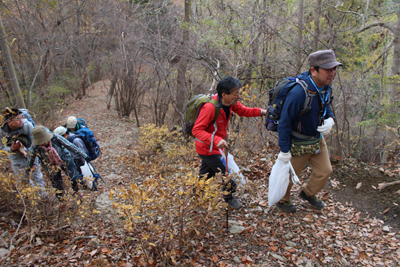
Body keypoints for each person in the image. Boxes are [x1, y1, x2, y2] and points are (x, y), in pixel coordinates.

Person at [276, 49, 342, 212]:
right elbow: (284, 122)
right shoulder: (299, 92)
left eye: (334, 69)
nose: (332, 73)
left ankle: (308, 192)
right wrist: (284, 151)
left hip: (317, 138)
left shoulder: (326, 86)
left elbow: (326, 104)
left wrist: (330, 119)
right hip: (298, 140)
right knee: (290, 175)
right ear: (314, 70)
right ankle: (282, 199)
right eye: (328, 69)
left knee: (325, 170)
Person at [192, 76, 267, 209]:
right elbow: (196, 130)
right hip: (207, 149)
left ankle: (197, 194)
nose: (238, 96)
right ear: (224, 95)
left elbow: (245, 111)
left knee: (207, 174)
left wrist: (262, 112)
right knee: (227, 175)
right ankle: (229, 197)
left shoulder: (230, 104)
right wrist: (216, 140)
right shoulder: (210, 107)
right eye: (235, 93)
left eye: (238, 92)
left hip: (217, 147)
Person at [26, 126, 91, 199]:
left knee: (74, 178)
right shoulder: (34, 147)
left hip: (65, 159)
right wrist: (27, 173)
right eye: (41, 142)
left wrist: (84, 155)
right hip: (50, 166)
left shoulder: (55, 137)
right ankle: (62, 200)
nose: (44, 142)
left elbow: (70, 146)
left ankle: (77, 193)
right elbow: (30, 160)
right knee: (57, 185)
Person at [0, 108, 45, 191]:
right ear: (9, 121)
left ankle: (44, 198)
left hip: (30, 152)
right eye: (17, 119)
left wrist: (33, 161)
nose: (21, 120)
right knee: (22, 181)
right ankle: (30, 199)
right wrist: (12, 149)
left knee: (38, 177)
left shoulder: (27, 125)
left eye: (21, 117)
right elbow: (1, 148)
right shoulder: (2, 131)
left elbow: (34, 143)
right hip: (15, 156)